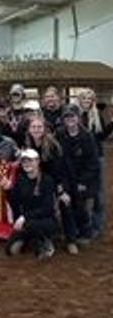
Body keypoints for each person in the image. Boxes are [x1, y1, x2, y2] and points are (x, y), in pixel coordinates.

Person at [56, 104, 100, 250]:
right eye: (67, 117)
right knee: (66, 204)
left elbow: (93, 164)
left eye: (72, 116)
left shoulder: (87, 136)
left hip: (84, 179)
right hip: (67, 177)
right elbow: (58, 159)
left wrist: (83, 182)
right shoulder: (60, 134)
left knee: (82, 207)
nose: (70, 119)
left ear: (78, 117)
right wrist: (62, 183)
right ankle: (71, 235)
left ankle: (85, 233)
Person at [4, 149, 59, 259]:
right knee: (10, 250)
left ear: (38, 161)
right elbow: (15, 203)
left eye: (30, 161)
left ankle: (46, 242)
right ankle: (32, 241)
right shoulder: (20, 180)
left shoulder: (47, 181)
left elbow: (48, 208)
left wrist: (24, 217)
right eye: (24, 161)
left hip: (46, 220)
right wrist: (8, 190)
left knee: (30, 226)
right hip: (26, 221)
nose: (27, 164)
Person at [78, 88, 113, 237]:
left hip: (96, 157)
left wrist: (112, 124)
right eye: (84, 98)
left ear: (93, 101)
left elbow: (102, 136)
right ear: (80, 100)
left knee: (98, 193)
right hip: (79, 160)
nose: (87, 101)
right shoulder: (75, 116)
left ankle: (96, 226)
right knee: (81, 193)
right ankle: (82, 224)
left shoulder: (97, 115)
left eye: (90, 98)